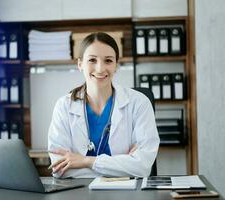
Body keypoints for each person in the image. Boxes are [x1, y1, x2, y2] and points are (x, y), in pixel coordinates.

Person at [48, 32, 159, 178]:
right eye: (92, 60)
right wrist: (124, 165)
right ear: (80, 64)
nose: (100, 69)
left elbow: (142, 167)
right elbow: (61, 169)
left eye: (108, 61)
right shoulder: (64, 106)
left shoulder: (139, 103)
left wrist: (85, 161)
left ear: (116, 65)